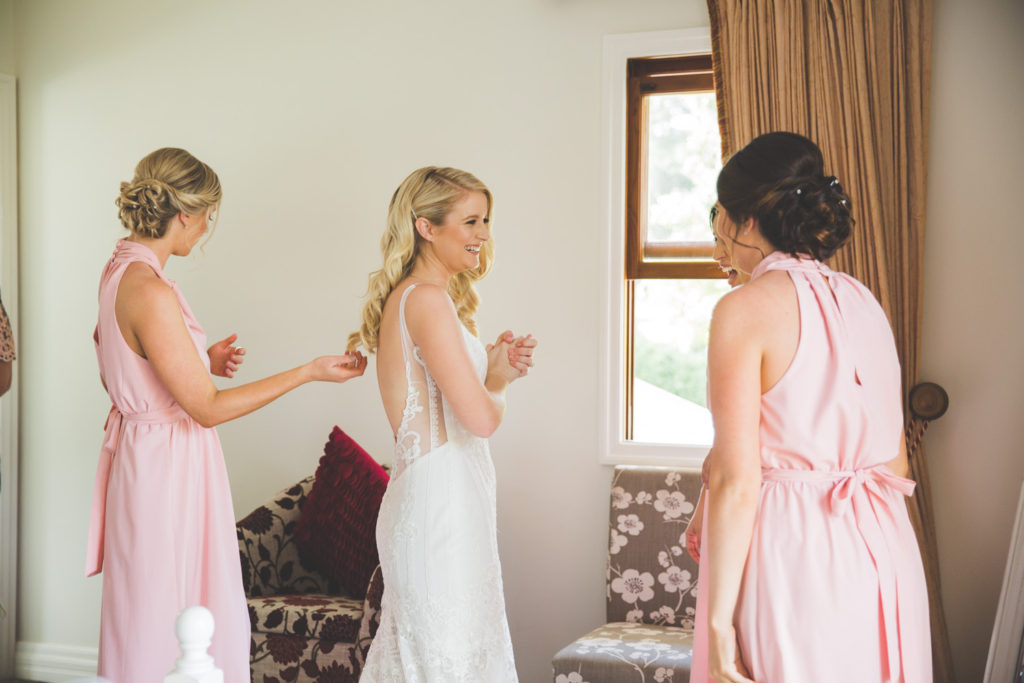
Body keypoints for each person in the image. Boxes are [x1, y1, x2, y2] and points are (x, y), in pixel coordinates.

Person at [87, 147, 367, 683]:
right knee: (172, 615)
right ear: (184, 214)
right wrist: (308, 371)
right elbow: (207, 408)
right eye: (208, 217)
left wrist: (198, 361)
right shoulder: (150, 289)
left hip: (145, 459)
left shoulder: (118, 270)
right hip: (167, 469)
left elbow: (121, 373)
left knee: (152, 606)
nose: (206, 230)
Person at [687, 132, 931, 683]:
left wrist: (719, 630)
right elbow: (894, 461)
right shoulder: (864, 300)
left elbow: (737, 480)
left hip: (794, 554)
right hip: (884, 550)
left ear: (745, 220)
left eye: (719, 214)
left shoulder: (744, 308)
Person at [349, 166, 536, 681]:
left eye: (486, 221)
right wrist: (498, 380)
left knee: (443, 656)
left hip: (440, 498)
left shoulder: (419, 298)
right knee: (444, 660)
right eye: (471, 221)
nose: (483, 234)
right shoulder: (426, 300)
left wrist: (489, 366)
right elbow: (480, 420)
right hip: (439, 506)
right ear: (426, 227)